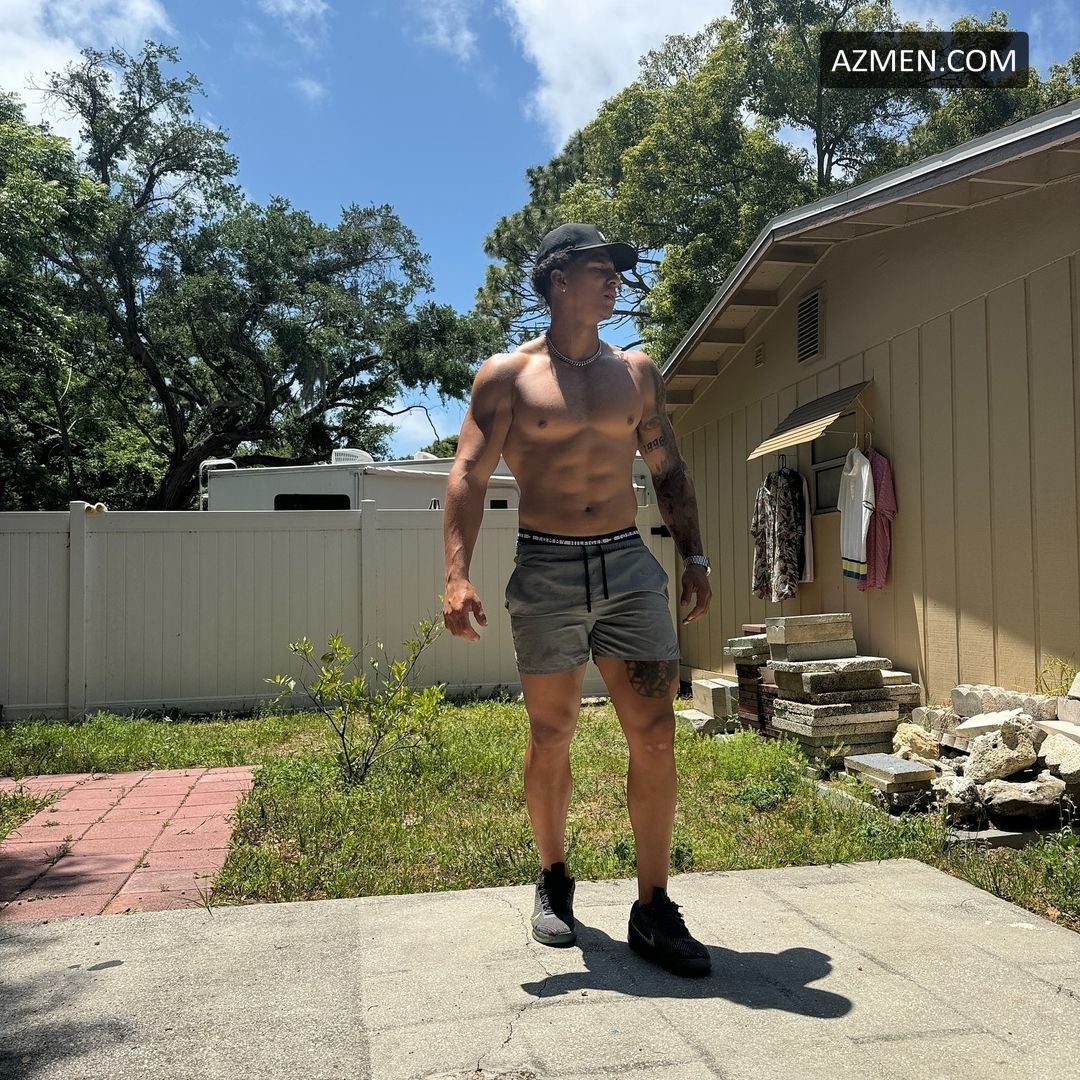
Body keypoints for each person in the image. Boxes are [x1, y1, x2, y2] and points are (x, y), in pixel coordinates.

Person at [442, 223, 714, 977]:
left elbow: (667, 467)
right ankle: (555, 878)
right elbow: (467, 473)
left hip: (628, 565)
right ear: (558, 279)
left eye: (616, 270)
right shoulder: (508, 377)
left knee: (654, 733)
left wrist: (694, 554)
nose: (614, 280)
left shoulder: (636, 372)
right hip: (548, 567)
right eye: (601, 268)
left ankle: (653, 906)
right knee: (552, 730)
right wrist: (456, 573)